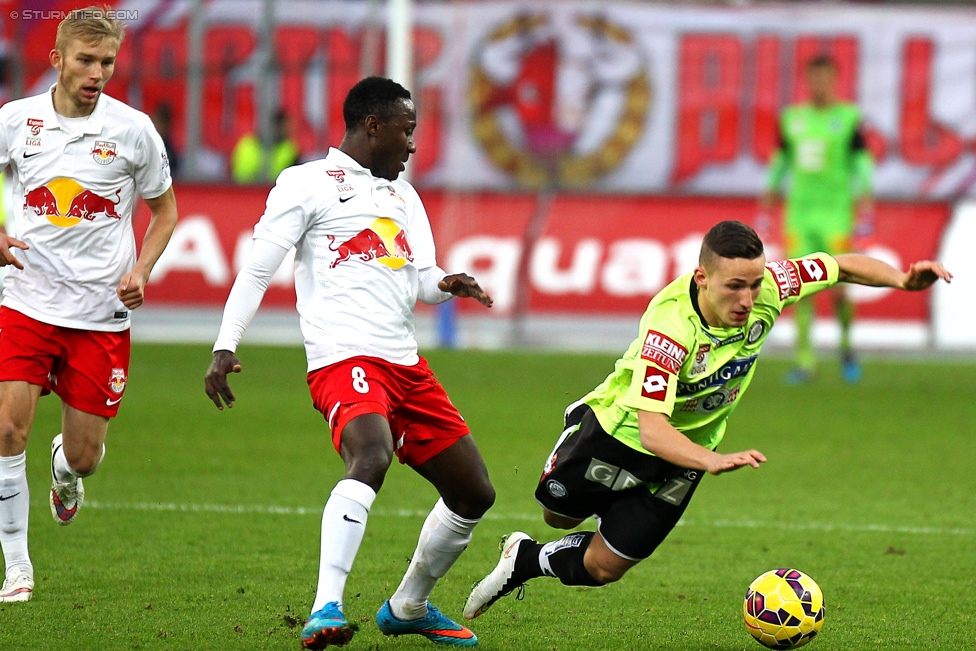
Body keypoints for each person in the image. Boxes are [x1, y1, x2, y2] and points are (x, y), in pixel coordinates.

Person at [463, 220, 951, 623]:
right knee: (558, 516)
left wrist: (902, 280)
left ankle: (525, 559)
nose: (747, 298)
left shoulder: (770, 291)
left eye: (755, 284)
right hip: (619, 434)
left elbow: (840, 265)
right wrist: (711, 460)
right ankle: (574, 489)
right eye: (734, 286)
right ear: (702, 278)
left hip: (687, 456)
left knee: (606, 568)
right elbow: (653, 428)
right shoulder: (669, 328)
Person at [205, 76, 495, 649]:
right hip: (343, 356)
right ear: (373, 125)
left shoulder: (403, 197)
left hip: (404, 364)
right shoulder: (307, 183)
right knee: (371, 454)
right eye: (407, 131)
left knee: (474, 493)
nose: (413, 145)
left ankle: (408, 605)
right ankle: (325, 606)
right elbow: (258, 269)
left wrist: (447, 283)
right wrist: (225, 344)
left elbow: (419, 278)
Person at [0, 7, 178, 603]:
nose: (97, 72)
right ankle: (18, 567)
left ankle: (66, 470)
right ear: (57, 60)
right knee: (5, 428)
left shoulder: (133, 130)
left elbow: (165, 210)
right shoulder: (16, 120)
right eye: (85, 60)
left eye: (106, 62)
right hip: (25, 299)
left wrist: (141, 269)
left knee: (86, 455)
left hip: (99, 314)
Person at [760, 54, 875, 385]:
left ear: (836, 80)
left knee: (839, 288)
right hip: (799, 214)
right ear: (807, 81)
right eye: (814, 78)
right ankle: (805, 360)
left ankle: (846, 345)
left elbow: (861, 159)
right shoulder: (793, 118)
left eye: (826, 78)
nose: (820, 84)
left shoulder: (849, 118)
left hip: (836, 214)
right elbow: (782, 158)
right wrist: (770, 187)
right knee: (799, 289)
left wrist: (865, 190)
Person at [230, 109, 300, 184]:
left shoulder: (290, 149)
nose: (287, 130)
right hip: (242, 190)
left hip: (275, 191)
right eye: (283, 126)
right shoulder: (246, 144)